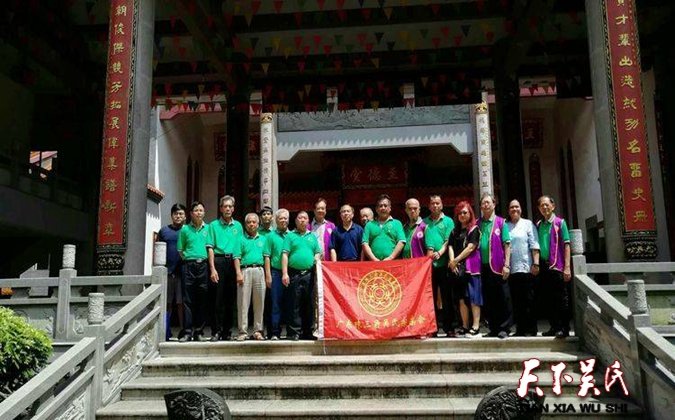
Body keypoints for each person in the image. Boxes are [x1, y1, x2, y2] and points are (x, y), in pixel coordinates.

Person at [206, 195, 243, 341]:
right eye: (225, 206)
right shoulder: (213, 225)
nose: (228, 209)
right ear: (220, 208)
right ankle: (216, 331)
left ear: (233, 209)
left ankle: (227, 331)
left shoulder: (238, 226)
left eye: (230, 206)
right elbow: (210, 248)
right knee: (217, 299)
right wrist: (212, 269)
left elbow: (241, 247)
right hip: (219, 261)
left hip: (234, 262)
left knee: (230, 299)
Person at [282, 211, 322, 340]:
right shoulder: (290, 236)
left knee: (309, 304)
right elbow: (285, 255)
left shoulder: (312, 236)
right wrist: (285, 273)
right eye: (300, 218)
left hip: (309, 274)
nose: (302, 220)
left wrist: (316, 258)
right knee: (294, 303)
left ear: (308, 221)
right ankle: (294, 332)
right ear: (296, 221)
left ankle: (308, 331)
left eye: (305, 218)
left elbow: (318, 252)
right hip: (294, 274)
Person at [536, 195, 572, 338]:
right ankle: (554, 326)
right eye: (541, 205)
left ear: (553, 206)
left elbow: (567, 245)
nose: (544, 207)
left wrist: (567, 267)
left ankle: (564, 328)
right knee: (547, 298)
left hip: (557, 265)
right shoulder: (539, 224)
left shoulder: (560, 223)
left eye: (547, 204)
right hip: (543, 266)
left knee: (561, 298)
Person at [478, 193, 512, 339]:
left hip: (498, 266)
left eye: (488, 202)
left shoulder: (501, 222)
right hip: (483, 267)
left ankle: (504, 328)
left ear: (494, 204)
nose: (486, 205)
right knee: (489, 298)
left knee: (503, 298)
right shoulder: (478, 223)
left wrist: (507, 265)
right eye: (483, 203)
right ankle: (493, 327)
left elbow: (507, 245)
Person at [506, 199, 540, 337]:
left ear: (521, 209)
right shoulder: (506, 226)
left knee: (529, 299)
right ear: (508, 210)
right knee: (516, 300)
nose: (514, 209)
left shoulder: (528, 224)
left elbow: (534, 244)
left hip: (527, 268)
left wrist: (536, 263)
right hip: (512, 269)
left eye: (517, 206)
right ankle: (520, 329)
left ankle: (531, 328)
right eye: (512, 207)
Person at [176, 201, 210, 342]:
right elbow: (180, 250)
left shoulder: (208, 229)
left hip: (204, 266)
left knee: (202, 299)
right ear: (191, 213)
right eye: (196, 210)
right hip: (188, 266)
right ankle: (187, 332)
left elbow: (211, 248)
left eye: (201, 210)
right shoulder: (185, 230)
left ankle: (199, 331)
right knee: (187, 299)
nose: (198, 213)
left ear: (204, 213)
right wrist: (189, 259)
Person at [448, 201, 482, 337]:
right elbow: (450, 246)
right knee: (461, 298)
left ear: (470, 214)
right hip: (457, 269)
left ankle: (476, 326)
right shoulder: (454, 231)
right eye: (460, 213)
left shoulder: (474, 229)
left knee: (474, 297)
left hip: (471, 268)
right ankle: (465, 326)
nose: (462, 215)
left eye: (465, 212)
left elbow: (470, 247)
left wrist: (455, 260)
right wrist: (452, 262)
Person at [423, 195, 455, 336]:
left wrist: (440, 252)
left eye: (437, 203)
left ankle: (449, 327)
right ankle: (432, 328)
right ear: (429, 206)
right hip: (428, 266)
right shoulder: (424, 222)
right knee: (430, 297)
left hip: (444, 264)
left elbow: (449, 240)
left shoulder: (448, 221)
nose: (435, 205)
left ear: (442, 205)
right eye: (432, 203)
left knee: (447, 297)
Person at [233, 213, 269, 341]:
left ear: (258, 224)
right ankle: (242, 331)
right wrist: (238, 273)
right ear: (245, 224)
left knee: (259, 302)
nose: (251, 224)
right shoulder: (240, 239)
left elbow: (266, 257)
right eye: (249, 222)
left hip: (259, 270)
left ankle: (257, 330)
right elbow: (236, 257)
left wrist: (268, 275)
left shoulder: (263, 239)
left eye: (254, 222)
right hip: (245, 270)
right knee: (243, 303)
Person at [156, 203, 186, 340]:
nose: (178, 216)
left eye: (181, 214)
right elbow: (158, 249)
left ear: (185, 216)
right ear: (171, 215)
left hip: (183, 272)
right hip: (167, 272)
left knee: (181, 303)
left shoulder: (187, 231)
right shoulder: (164, 231)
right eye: (176, 214)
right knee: (167, 303)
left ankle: (183, 330)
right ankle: (166, 330)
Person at [263, 209, 290, 340]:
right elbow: (267, 256)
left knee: (291, 303)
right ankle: (275, 332)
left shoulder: (292, 235)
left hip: (291, 273)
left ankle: (291, 331)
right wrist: (268, 275)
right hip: (275, 273)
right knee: (275, 303)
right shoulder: (271, 236)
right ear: (276, 220)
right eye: (280, 218)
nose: (283, 220)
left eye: (285, 218)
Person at [362, 194, 406, 261]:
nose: (383, 208)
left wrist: (390, 258)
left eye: (385, 206)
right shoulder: (369, 225)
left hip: (393, 263)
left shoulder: (397, 223)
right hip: (374, 263)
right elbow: (365, 243)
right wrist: (374, 259)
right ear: (376, 209)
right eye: (380, 206)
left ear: (390, 208)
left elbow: (401, 241)